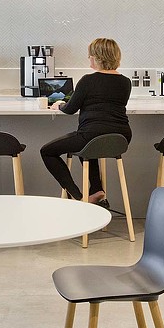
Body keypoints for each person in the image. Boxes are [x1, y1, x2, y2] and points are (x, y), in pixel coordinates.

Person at [41, 38, 132, 209]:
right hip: (121, 137)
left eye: (90, 55)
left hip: (91, 135)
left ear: (98, 57)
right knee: (88, 149)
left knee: (47, 151)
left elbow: (70, 109)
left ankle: (77, 195)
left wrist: (60, 104)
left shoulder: (88, 80)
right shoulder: (126, 82)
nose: (89, 58)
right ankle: (96, 189)